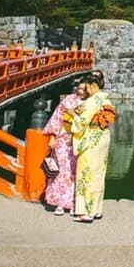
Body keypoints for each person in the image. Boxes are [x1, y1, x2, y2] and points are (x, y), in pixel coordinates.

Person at [69, 73, 115, 223]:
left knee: (86, 173)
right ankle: (96, 210)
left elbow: (82, 121)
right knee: (98, 174)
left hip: (91, 138)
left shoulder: (92, 101)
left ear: (93, 85)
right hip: (103, 137)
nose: (86, 90)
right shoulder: (105, 99)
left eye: (87, 87)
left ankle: (86, 212)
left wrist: (73, 115)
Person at [42, 80, 88, 216]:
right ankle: (59, 203)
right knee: (61, 171)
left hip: (78, 139)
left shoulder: (90, 103)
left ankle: (74, 204)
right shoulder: (68, 100)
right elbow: (57, 117)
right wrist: (53, 136)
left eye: (84, 89)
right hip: (63, 138)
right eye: (79, 88)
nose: (80, 91)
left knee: (75, 172)